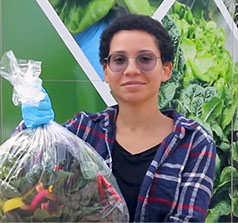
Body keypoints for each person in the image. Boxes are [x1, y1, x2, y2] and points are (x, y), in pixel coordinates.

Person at [18, 14, 216, 222]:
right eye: (119, 60)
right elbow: (28, 173)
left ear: (166, 69)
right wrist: (31, 131)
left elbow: (187, 219)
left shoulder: (195, 142)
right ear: (105, 71)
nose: (131, 70)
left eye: (145, 59)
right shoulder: (83, 130)